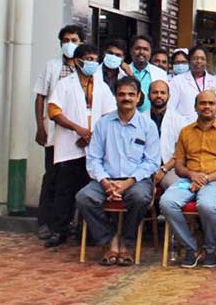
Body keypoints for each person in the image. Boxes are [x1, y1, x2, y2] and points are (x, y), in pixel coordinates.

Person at [75, 77, 159, 266]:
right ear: (115, 97)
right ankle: (110, 240)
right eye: (121, 94)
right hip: (106, 179)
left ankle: (126, 243)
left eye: (131, 94)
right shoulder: (103, 124)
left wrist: (127, 183)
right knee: (84, 197)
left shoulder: (148, 126)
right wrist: (105, 182)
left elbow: (152, 162)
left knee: (139, 197)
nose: (126, 98)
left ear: (139, 97)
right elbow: (94, 158)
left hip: (135, 181)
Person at [45, 43, 115, 247]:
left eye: (95, 59)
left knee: (90, 191)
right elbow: (54, 112)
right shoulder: (64, 84)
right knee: (65, 190)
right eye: (89, 59)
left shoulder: (101, 86)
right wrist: (79, 129)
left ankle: (87, 232)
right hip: (69, 144)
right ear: (77, 61)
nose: (93, 63)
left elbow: (109, 114)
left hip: (93, 146)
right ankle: (59, 230)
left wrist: (92, 135)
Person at [159, 89, 216, 268]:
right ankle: (191, 248)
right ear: (195, 107)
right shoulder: (185, 132)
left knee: (206, 205)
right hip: (188, 180)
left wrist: (206, 179)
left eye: (211, 103)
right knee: (166, 202)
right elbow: (179, 165)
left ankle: (211, 249)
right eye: (203, 103)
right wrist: (192, 175)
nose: (207, 107)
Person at [33, 23, 85, 240]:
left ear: (81, 43)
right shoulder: (51, 66)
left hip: (79, 135)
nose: (69, 44)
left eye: (74, 40)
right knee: (52, 177)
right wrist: (40, 126)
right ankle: (45, 222)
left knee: (74, 179)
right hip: (55, 132)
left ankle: (67, 222)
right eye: (65, 40)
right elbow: (40, 97)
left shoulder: (86, 69)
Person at [148, 79, 189, 190]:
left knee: (178, 188)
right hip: (144, 170)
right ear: (148, 95)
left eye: (163, 93)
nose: (159, 96)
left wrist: (164, 169)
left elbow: (182, 152)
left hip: (170, 168)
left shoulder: (179, 120)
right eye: (155, 92)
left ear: (169, 96)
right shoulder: (140, 119)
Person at [170, 45, 215, 118]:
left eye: (202, 59)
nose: (199, 61)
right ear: (189, 61)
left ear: (206, 62)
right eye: (195, 58)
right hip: (184, 125)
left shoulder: (215, 81)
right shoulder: (177, 81)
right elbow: (170, 108)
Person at [128, 35, 167, 112]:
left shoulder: (160, 74)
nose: (141, 52)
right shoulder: (122, 72)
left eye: (145, 49)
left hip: (151, 119)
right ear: (131, 50)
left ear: (150, 52)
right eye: (137, 48)